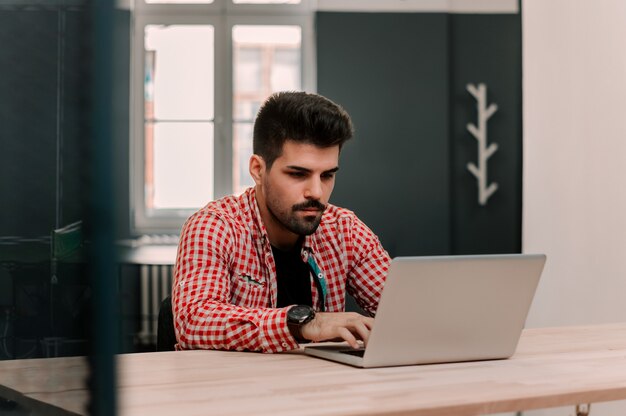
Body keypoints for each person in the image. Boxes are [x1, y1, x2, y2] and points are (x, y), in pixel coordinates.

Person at [172, 91, 391, 353]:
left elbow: (408, 313)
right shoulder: (214, 227)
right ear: (257, 170)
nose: (317, 192)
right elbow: (193, 321)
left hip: (324, 390)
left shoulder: (345, 229)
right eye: (298, 174)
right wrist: (302, 322)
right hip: (237, 390)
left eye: (327, 175)